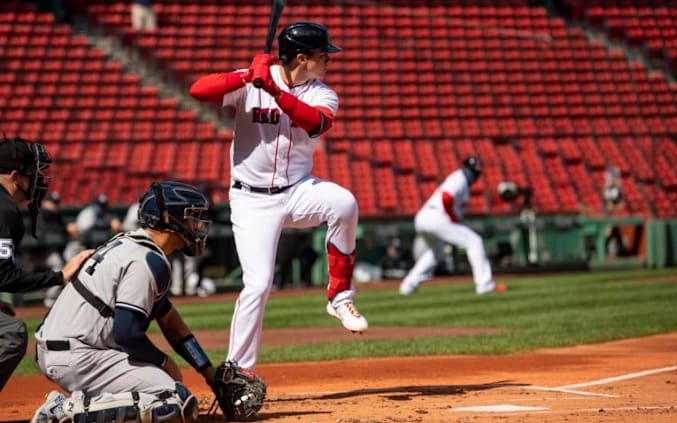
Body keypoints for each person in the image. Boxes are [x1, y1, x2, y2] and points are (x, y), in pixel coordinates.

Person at [189, 21, 368, 376]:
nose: (329, 61)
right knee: (257, 284)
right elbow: (198, 90)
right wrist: (245, 77)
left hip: (298, 190)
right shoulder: (253, 79)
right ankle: (238, 372)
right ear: (302, 58)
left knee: (344, 203)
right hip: (251, 200)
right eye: (323, 56)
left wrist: (272, 88)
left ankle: (340, 297)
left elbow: (314, 122)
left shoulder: (321, 92)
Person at [32, 181, 219, 423]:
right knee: (171, 400)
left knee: (168, 390)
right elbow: (127, 334)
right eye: (192, 216)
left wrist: (209, 372)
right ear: (167, 217)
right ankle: (65, 411)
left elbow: (170, 320)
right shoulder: (146, 260)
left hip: (68, 347)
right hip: (77, 355)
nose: (198, 224)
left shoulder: (134, 245)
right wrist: (164, 362)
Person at [0, 136, 93, 392]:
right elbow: (3, 277)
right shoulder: (5, 210)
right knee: (11, 333)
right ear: (15, 175)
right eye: (33, 174)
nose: (38, 181)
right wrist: (59, 277)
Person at [399, 156, 497, 295]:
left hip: (425, 217)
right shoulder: (460, 177)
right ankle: (484, 284)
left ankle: (408, 285)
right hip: (436, 217)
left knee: (436, 254)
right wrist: (452, 217)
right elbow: (446, 197)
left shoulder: (463, 181)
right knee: (475, 242)